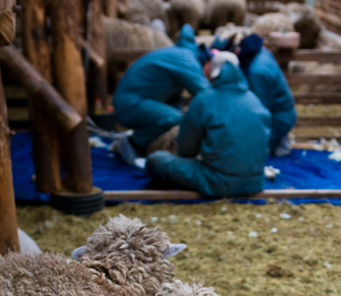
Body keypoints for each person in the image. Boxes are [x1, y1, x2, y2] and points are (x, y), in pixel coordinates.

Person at [146, 51, 271, 198]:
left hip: (216, 182)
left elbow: (186, 149)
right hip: (254, 183)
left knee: (156, 160)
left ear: (213, 72)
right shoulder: (254, 100)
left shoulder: (204, 99)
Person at [112, 24, 210, 159]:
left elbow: (175, 99)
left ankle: (145, 145)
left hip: (132, 101)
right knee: (175, 118)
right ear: (206, 61)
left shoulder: (178, 54)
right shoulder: (186, 59)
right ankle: (132, 144)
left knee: (176, 117)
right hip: (130, 105)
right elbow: (206, 95)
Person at [237, 34, 297, 157]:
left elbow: (259, 109)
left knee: (248, 148)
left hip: (278, 118)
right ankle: (279, 140)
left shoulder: (256, 72)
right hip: (285, 112)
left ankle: (276, 143)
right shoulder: (261, 51)